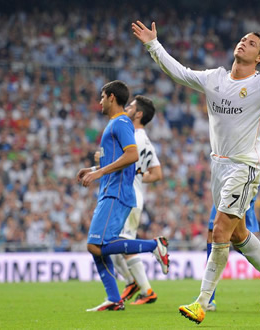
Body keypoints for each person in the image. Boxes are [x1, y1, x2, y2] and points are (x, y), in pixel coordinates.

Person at [132, 20, 260, 324]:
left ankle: (201, 303)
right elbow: (179, 72)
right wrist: (153, 45)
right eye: (243, 39)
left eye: (252, 43)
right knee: (239, 234)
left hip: (245, 165)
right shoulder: (215, 78)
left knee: (220, 231)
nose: (243, 43)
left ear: (259, 58)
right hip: (219, 164)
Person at [76, 81, 169, 312]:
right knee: (95, 246)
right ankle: (114, 299)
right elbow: (125, 160)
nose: (99, 101)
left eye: (102, 96)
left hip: (117, 193)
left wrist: (98, 172)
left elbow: (132, 155)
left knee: (97, 245)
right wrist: (92, 168)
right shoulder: (116, 124)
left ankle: (154, 246)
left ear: (111, 97)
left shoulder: (122, 122)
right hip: (110, 190)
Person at [205, 134, 260, 312]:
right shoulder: (235, 120)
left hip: (239, 183)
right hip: (229, 182)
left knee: (226, 236)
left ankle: (209, 299)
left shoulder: (250, 121)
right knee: (229, 238)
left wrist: (250, 176)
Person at [107, 95, 163, 305]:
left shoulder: (134, 138)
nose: (127, 108)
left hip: (127, 197)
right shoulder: (145, 140)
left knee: (123, 244)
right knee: (110, 244)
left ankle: (146, 289)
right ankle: (133, 283)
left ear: (138, 114)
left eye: (130, 106)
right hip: (131, 195)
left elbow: (120, 162)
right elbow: (156, 173)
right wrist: (140, 177)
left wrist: (100, 163)